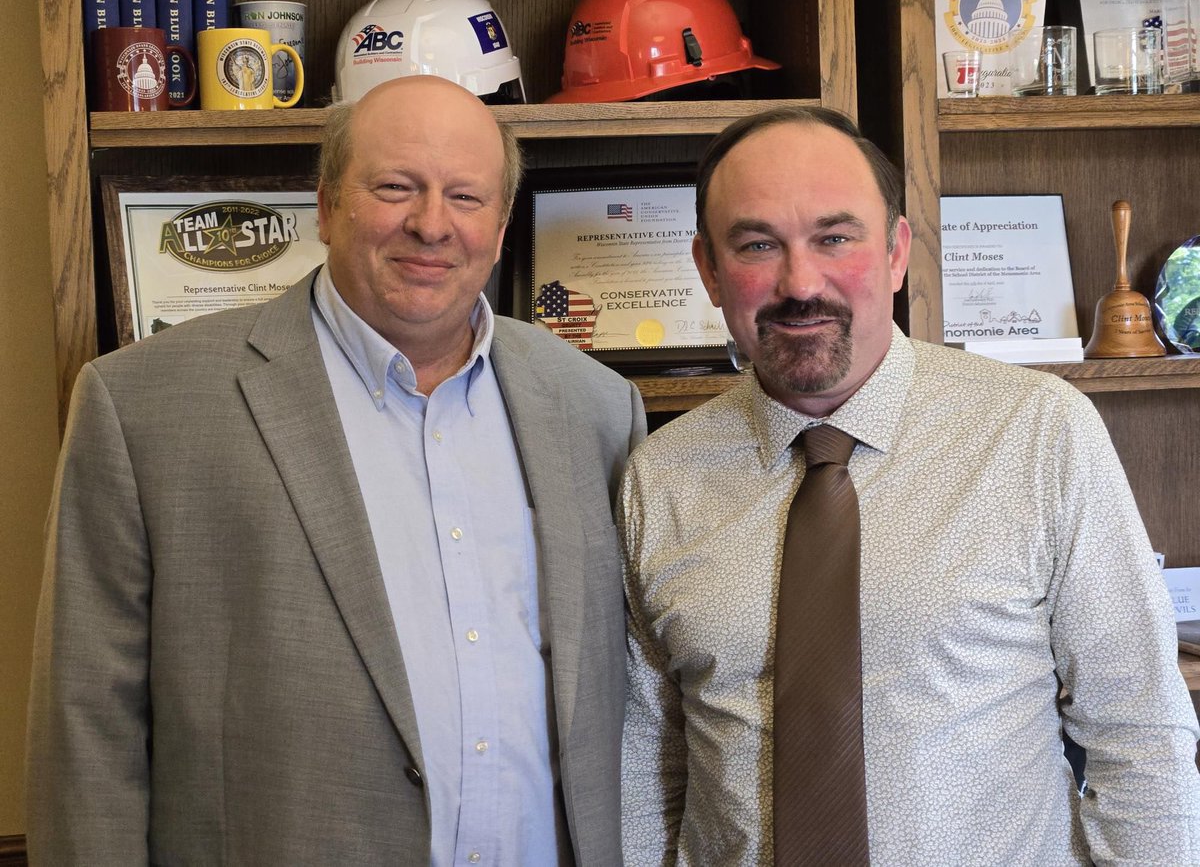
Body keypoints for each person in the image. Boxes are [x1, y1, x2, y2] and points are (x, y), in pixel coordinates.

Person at [27, 75, 645, 866]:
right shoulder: (142, 407)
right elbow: (87, 728)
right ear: (324, 205)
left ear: (499, 228)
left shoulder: (594, 408)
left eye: (466, 197)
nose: (431, 225)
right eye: (395, 188)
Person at [619, 105, 1200, 865]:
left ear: (897, 253)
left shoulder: (1038, 431)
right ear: (708, 269)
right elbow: (649, 765)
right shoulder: (658, 477)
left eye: (835, 237)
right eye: (759, 244)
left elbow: (1138, 729)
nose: (801, 283)